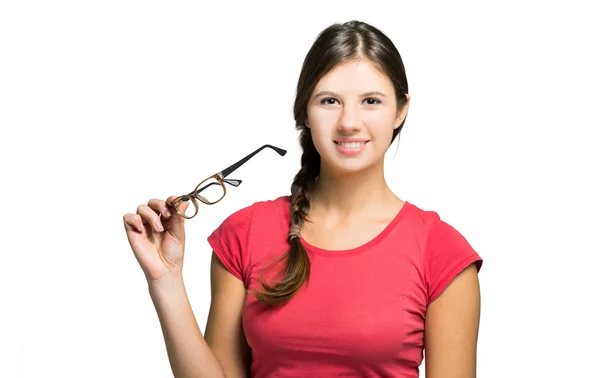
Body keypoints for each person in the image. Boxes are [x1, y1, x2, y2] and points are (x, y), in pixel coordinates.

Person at [123, 20, 483, 378]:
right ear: (305, 112)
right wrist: (165, 280)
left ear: (400, 111)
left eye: (371, 101)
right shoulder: (244, 234)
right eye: (329, 101)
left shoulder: (442, 252)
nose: (349, 123)